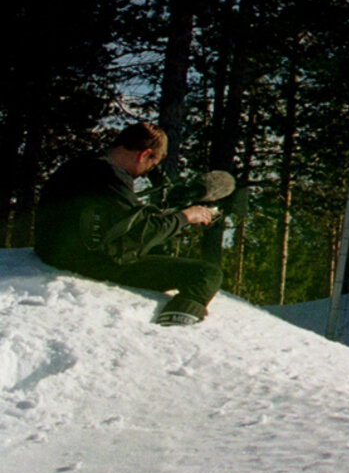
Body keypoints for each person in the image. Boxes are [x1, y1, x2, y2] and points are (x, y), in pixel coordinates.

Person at [33, 122, 224, 325]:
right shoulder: (111, 176)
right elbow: (141, 232)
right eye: (152, 164)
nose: (145, 173)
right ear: (144, 155)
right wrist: (186, 216)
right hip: (89, 262)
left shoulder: (82, 164)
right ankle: (174, 329)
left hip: (52, 252)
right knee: (207, 274)